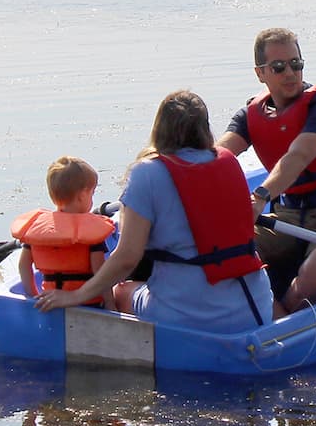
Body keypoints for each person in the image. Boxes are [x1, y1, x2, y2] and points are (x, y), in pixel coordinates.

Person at [36, 90, 275, 329]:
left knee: (122, 290)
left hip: (187, 317)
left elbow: (126, 259)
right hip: (254, 308)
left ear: (159, 129)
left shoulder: (146, 173)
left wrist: (77, 295)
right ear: (205, 129)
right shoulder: (227, 160)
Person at [217, 28, 316, 317]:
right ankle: (272, 316)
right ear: (260, 73)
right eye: (279, 67)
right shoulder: (250, 115)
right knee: (225, 248)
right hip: (289, 219)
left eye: (296, 64)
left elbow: (299, 156)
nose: (290, 73)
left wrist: (260, 196)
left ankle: (284, 328)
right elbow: (218, 155)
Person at [11, 155, 116, 303]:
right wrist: (111, 304)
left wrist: (33, 296)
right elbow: (100, 274)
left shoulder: (38, 230)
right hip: (88, 304)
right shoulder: (90, 235)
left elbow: (23, 265)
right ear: (81, 196)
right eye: (92, 194)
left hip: (50, 301)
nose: (92, 199)